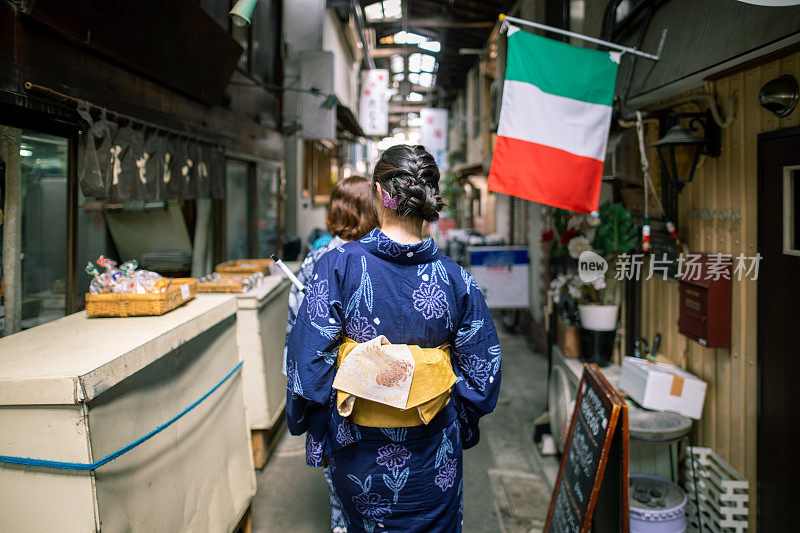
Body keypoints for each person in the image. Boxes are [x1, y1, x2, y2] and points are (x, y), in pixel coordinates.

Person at [286, 145, 502, 532]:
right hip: (434, 454)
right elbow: (482, 375)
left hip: (359, 454)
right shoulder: (457, 279)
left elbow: (307, 366)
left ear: (377, 195)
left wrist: (321, 429)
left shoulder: (338, 266)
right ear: (428, 200)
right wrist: (451, 417)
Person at [285, 175, 379, 533]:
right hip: (376, 382)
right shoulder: (380, 252)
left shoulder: (320, 254)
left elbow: (298, 327)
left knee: (340, 480)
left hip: (331, 386)